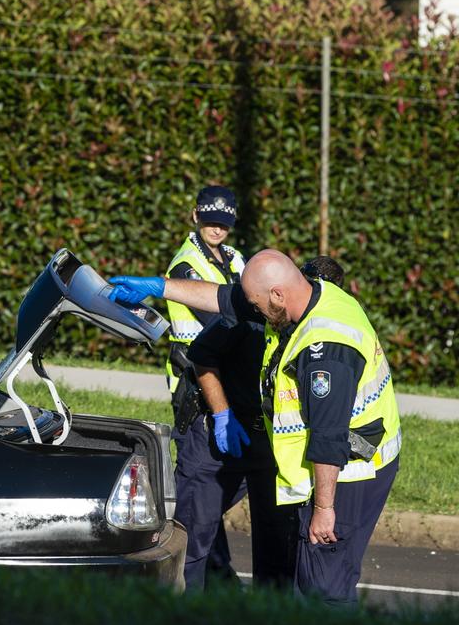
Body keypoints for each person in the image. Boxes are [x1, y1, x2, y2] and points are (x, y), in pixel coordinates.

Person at [108, 251, 402, 606]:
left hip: (348, 474)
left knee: (325, 589)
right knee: (305, 582)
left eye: (257, 304)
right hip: (314, 465)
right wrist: (158, 287)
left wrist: (324, 510)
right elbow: (224, 298)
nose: (254, 312)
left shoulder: (325, 350)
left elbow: (328, 439)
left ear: (277, 294)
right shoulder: (304, 295)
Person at [182, 255, 348, 590]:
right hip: (221, 431)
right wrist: (223, 414)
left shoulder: (324, 330)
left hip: (272, 445)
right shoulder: (254, 312)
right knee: (192, 535)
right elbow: (201, 358)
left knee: (277, 550)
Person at [162, 185, 247, 589]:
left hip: (231, 390)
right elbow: (223, 320)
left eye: (224, 224)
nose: (218, 230)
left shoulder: (234, 258)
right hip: (199, 398)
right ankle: (183, 594)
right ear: (195, 215)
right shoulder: (186, 266)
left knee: (216, 494)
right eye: (211, 221)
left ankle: (217, 578)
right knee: (197, 504)